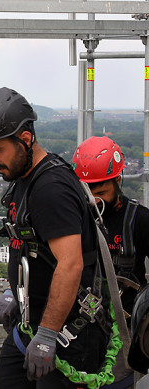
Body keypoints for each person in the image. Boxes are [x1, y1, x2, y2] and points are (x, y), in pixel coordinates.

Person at [0, 87, 110, 388]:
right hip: (31, 324)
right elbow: (30, 250)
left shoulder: (50, 188)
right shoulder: (25, 178)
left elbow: (70, 264)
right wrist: (14, 293)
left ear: (25, 138)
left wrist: (47, 336)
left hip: (69, 333)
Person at [73, 136, 149, 384]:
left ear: (118, 180)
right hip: (80, 328)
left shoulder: (139, 221)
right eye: (87, 193)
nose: (95, 201)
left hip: (124, 333)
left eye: (101, 192)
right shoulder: (72, 221)